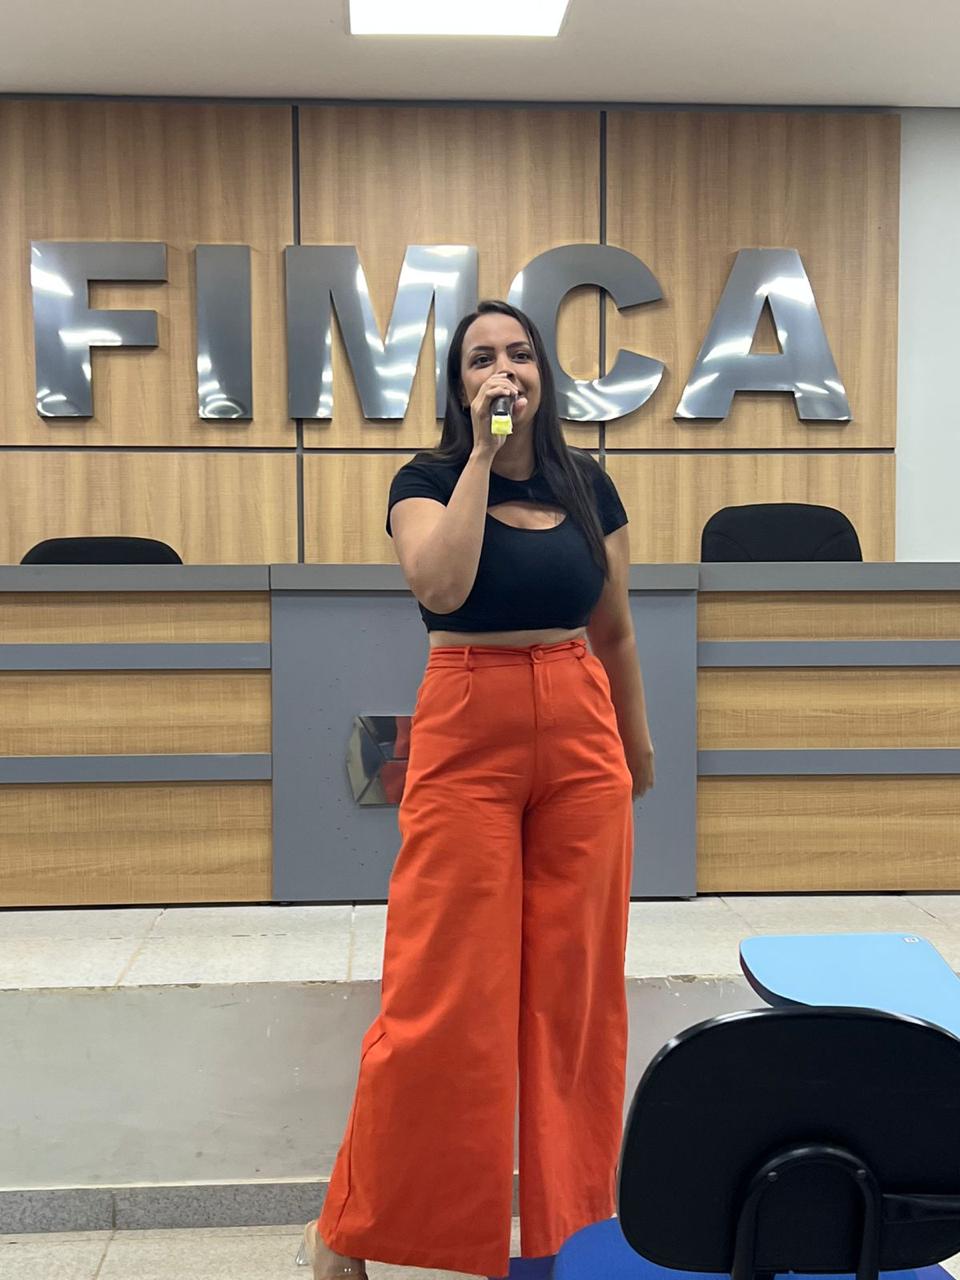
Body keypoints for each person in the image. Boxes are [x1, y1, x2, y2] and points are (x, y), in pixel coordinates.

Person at [300, 299, 655, 1279]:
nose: (503, 369)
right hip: (468, 723)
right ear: (459, 387)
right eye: (480, 359)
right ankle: (349, 1228)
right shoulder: (423, 480)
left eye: (519, 353)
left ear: (544, 372)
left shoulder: (589, 485)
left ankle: (570, 1235)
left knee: (576, 999)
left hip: (580, 730)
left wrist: (636, 743)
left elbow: (616, 629)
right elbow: (442, 587)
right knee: (441, 994)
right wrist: (482, 457)